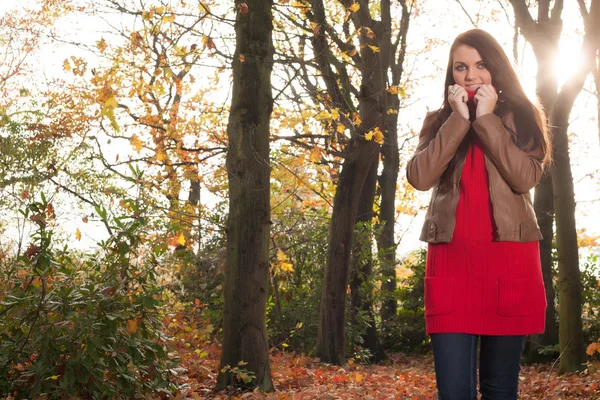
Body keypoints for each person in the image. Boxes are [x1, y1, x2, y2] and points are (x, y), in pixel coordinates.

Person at [406, 29, 552, 400]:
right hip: (452, 270)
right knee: (454, 393)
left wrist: (486, 120)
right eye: (461, 67)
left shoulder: (522, 116)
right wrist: (458, 120)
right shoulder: (438, 120)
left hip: (509, 266)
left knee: (500, 389)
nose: (470, 76)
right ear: (451, 74)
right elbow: (420, 178)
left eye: (480, 65)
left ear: (496, 69)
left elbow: (525, 177)